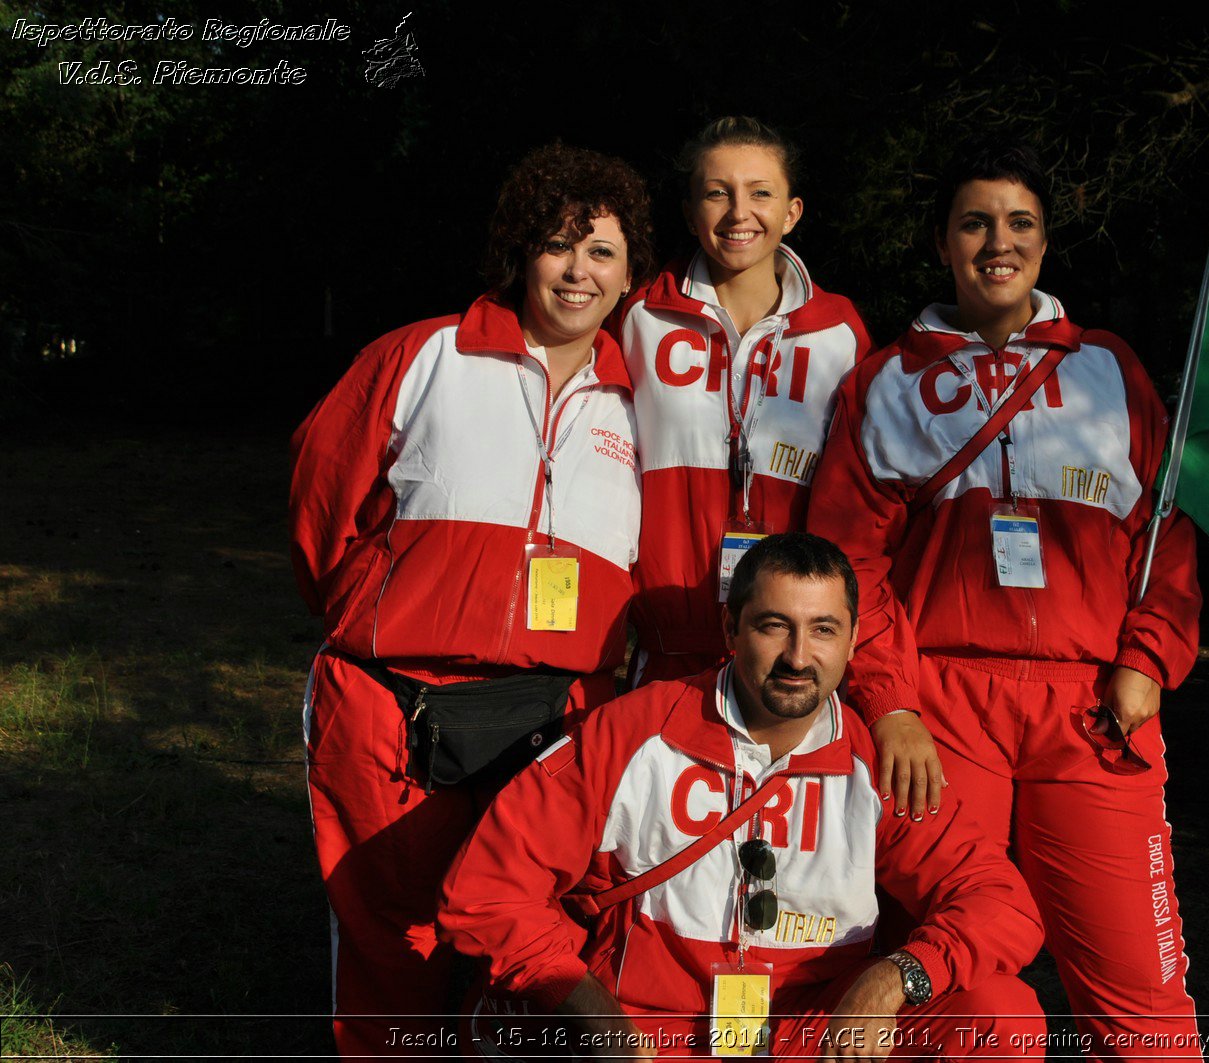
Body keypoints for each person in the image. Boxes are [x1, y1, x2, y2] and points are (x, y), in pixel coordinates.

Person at [806, 140, 1206, 1060]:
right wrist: (891, 702)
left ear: (1045, 241)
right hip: (941, 707)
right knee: (960, 976)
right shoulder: (888, 379)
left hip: (1093, 706)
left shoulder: (1110, 369)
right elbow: (846, 559)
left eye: (1019, 222)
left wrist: (1148, 659)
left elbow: (1167, 539)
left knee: (1143, 994)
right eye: (976, 222)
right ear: (943, 241)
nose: (999, 241)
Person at [289, 143, 653, 1058]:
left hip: (555, 719)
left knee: (525, 944)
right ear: (520, 252)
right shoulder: (426, 353)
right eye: (558, 244)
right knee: (395, 943)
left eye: (601, 252)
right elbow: (321, 495)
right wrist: (376, 609)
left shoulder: (641, 399)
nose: (578, 270)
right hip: (391, 706)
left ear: (628, 274)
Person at [437, 533, 1047, 1061]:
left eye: (823, 630)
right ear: (731, 628)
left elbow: (1001, 904)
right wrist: (592, 1014)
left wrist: (897, 977)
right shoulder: (632, 732)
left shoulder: (879, 764)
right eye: (774, 625)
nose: (798, 657)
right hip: (652, 1030)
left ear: (855, 639)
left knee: (1002, 1016)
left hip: (808, 1031)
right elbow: (487, 891)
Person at [611, 118, 940, 821]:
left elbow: (863, 517)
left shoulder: (841, 332)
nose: (740, 214)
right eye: (717, 193)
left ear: (792, 210)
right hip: (669, 650)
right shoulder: (638, 316)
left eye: (760, 193)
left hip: (787, 661)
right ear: (690, 208)